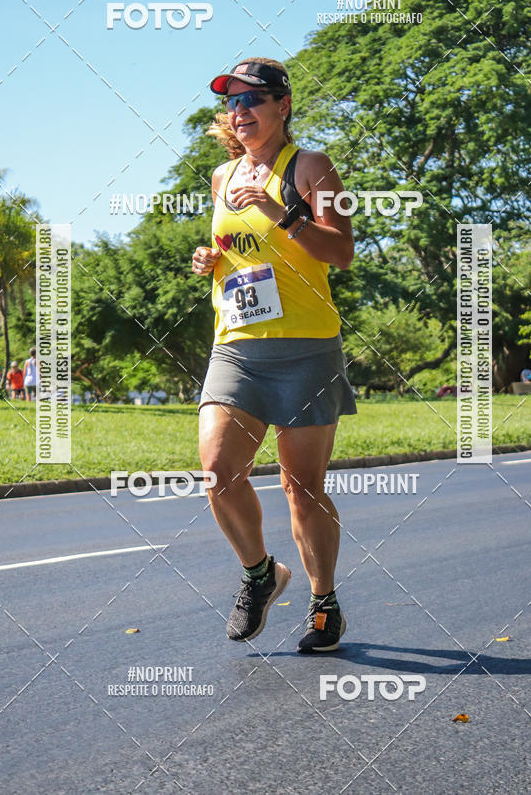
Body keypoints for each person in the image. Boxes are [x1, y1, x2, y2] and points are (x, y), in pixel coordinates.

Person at [192, 57, 356, 653]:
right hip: (237, 345)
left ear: (282, 106)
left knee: (302, 488)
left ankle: (323, 603)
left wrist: (278, 212)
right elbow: (238, 247)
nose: (240, 112)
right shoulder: (222, 176)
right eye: (232, 102)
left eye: (252, 100)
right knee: (217, 469)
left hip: (307, 350)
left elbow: (341, 251)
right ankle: (260, 574)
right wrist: (210, 259)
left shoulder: (311, 167)